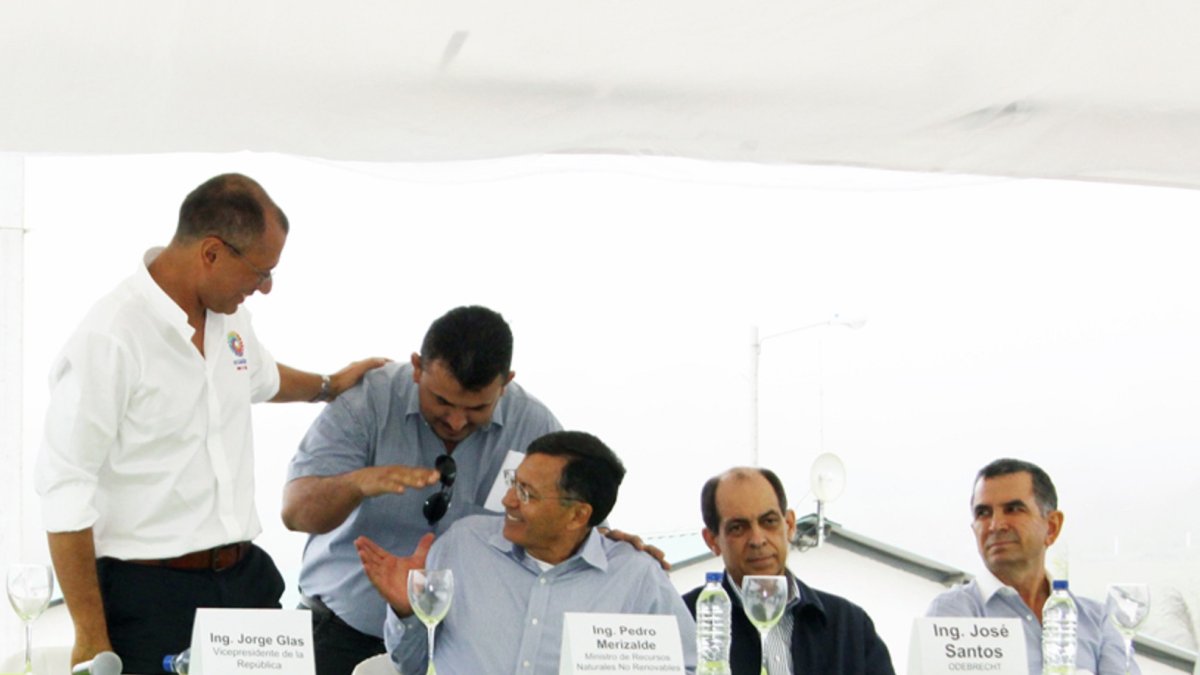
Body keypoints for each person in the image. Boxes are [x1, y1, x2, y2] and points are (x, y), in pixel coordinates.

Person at [34, 173, 385, 673]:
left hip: (244, 583)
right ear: (212, 252)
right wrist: (90, 636)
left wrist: (330, 384)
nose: (264, 288)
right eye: (260, 272)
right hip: (148, 595)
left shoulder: (229, 316)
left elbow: (260, 377)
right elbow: (65, 489)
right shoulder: (110, 338)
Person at [281, 305, 563, 675]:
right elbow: (296, 512)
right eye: (442, 401)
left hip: (468, 651)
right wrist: (356, 484)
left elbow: (571, 527)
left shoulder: (534, 426)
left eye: (477, 408)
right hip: (342, 637)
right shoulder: (367, 402)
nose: (457, 421)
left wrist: (617, 544)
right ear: (417, 367)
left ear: (505, 382)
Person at [357, 430, 697, 675]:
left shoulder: (635, 577)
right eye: (513, 483)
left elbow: (689, 667)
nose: (507, 501)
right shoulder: (462, 546)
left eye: (526, 493)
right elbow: (411, 665)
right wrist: (408, 614)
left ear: (578, 515)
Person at [926, 458, 1137, 675]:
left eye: (1013, 509)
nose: (996, 525)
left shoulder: (1097, 621)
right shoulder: (954, 613)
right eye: (983, 513)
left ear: (1052, 526)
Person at [684, 467, 895, 675]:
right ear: (712, 540)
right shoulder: (684, 621)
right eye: (738, 528)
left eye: (769, 522)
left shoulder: (849, 628)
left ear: (790, 525)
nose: (758, 540)